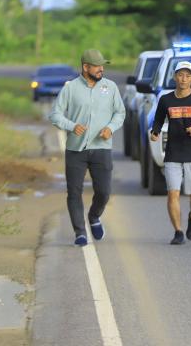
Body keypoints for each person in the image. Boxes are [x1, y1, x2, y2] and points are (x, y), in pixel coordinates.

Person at [49, 49, 126, 246]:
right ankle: (80, 233)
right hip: (76, 150)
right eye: (97, 66)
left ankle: (94, 216)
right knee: (74, 192)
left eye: (103, 66)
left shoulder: (110, 87)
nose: (101, 69)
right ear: (85, 67)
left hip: (101, 148)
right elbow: (55, 115)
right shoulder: (70, 88)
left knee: (104, 192)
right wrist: (71, 126)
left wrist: (110, 127)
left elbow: (120, 113)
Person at [150, 61, 191, 245]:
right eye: (180, 75)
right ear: (174, 77)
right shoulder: (166, 100)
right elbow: (158, 120)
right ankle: (178, 231)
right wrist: (155, 132)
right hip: (173, 153)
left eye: (188, 76)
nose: (184, 79)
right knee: (173, 194)